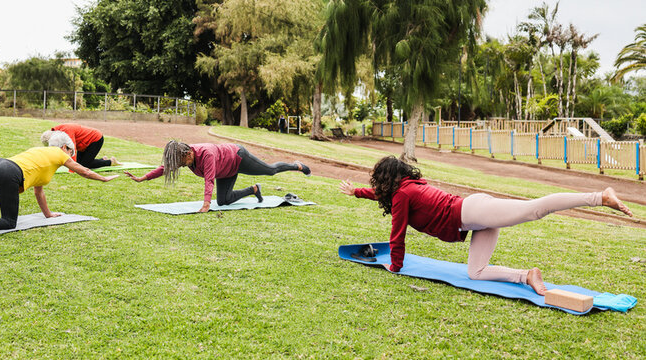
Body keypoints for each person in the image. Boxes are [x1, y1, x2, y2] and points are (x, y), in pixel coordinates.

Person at [338, 155, 634, 295]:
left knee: (533, 210)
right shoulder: (405, 190)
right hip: (474, 221)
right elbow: (382, 196)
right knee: (475, 272)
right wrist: (356, 192)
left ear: (388, 178)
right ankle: (527, 276)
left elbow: (397, 235)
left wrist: (396, 266)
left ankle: (599, 196)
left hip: (472, 211)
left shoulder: (403, 194)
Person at [125, 140, 311, 213]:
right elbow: (165, 168)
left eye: (182, 161)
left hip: (238, 158)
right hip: (226, 170)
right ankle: (254, 189)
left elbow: (209, 180)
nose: (180, 165)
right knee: (223, 201)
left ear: (189, 153)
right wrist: (143, 178)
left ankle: (297, 165)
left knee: (270, 170)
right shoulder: (184, 158)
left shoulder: (207, 154)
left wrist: (206, 204)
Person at [43, 123, 119, 169]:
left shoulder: (66, 131)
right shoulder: (57, 133)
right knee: (79, 164)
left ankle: (110, 162)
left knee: (85, 165)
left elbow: (72, 149)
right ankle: (102, 159)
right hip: (84, 144)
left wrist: (71, 169)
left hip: (95, 139)